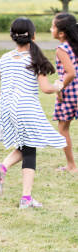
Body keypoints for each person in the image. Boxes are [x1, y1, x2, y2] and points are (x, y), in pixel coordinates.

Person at [0, 17, 65, 209]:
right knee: (30, 147)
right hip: (27, 108)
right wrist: (58, 86)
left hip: (7, 109)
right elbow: (45, 88)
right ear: (34, 35)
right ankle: (6, 174)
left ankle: (24, 196)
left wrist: (6, 102)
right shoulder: (35, 58)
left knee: (28, 148)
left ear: (12, 36)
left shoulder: (5, 58)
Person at [51, 13, 78, 173]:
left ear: (61, 33)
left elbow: (70, 72)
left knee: (63, 128)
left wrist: (58, 87)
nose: (51, 29)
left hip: (70, 93)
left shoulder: (62, 49)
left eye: (53, 26)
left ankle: (71, 165)